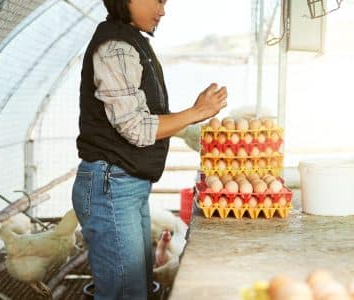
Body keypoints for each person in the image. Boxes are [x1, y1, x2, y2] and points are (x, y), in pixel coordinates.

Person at [71, 0, 227, 298]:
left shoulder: (131, 42)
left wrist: (190, 129)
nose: (163, 10)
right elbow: (137, 129)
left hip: (123, 185)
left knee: (136, 288)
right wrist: (196, 112)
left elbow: (143, 115)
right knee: (124, 294)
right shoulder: (116, 47)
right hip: (110, 187)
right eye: (158, 0)